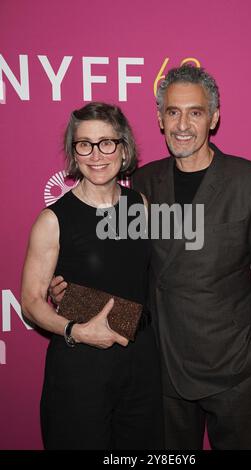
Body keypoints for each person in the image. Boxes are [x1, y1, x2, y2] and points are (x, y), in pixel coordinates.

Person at [50, 65, 251, 450]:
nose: (182, 124)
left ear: (213, 117)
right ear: (160, 119)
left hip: (234, 369)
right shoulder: (144, 184)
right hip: (163, 371)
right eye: (172, 112)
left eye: (194, 112)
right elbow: (129, 273)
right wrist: (74, 299)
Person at [21, 102, 163, 450]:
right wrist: (76, 330)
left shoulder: (140, 205)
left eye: (106, 143)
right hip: (80, 367)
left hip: (141, 360)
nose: (96, 154)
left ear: (123, 147)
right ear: (74, 152)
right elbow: (30, 302)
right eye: (84, 144)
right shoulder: (54, 220)